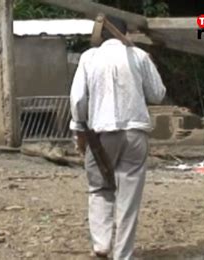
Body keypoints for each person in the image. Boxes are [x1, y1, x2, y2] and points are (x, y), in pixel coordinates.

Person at [69, 16, 166, 260]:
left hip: (101, 133)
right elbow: (158, 94)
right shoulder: (138, 56)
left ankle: (102, 245)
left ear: (101, 35)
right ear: (127, 33)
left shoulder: (89, 57)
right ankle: (123, 255)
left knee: (100, 188)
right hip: (135, 133)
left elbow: (79, 100)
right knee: (129, 195)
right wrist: (149, 64)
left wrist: (79, 129)